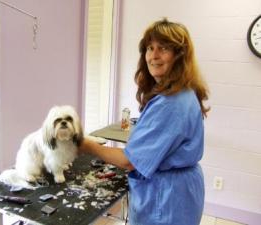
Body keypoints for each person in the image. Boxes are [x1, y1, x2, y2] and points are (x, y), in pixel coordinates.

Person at [79, 18, 210, 225]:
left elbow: (130, 161)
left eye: (163, 48)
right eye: (150, 48)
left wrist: (86, 145)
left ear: (179, 56)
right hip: (182, 191)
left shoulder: (170, 103)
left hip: (166, 199)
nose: (153, 56)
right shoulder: (184, 93)